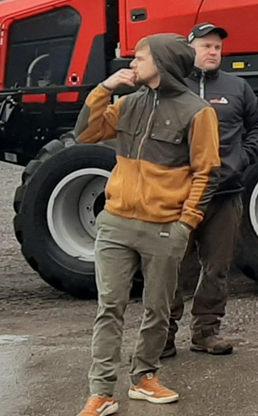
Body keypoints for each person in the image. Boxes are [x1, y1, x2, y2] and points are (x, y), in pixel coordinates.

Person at [72, 34, 221, 416]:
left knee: (158, 309)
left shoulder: (198, 111)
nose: (132, 62)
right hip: (116, 223)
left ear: (164, 62)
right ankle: (102, 392)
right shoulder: (129, 103)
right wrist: (104, 89)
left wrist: (185, 226)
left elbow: (207, 173)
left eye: (140, 56)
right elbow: (85, 133)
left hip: (164, 229)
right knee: (110, 307)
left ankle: (144, 378)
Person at [164, 23, 258, 358]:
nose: (213, 52)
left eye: (218, 47)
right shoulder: (171, 87)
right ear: (190, 48)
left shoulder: (236, 87)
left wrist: (240, 159)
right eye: (206, 46)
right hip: (177, 196)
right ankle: (163, 335)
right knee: (171, 267)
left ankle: (206, 332)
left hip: (224, 194)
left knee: (217, 266)